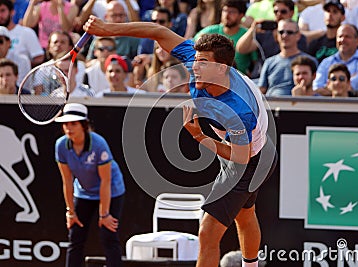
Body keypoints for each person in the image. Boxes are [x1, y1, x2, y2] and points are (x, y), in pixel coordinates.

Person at [84, 13, 276, 267]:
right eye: (195, 59)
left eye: (202, 62)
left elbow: (241, 157)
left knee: (207, 232)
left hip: (250, 158)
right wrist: (109, 29)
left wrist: (199, 136)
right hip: (248, 147)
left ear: (221, 68)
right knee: (245, 214)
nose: (194, 66)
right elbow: (158, 31)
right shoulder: (199, 64)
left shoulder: (240, 109)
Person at [55, 103, 126, 267]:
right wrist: (70, 212)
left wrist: (104, 214)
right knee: (75, 237)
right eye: (66, 124)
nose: (69, 128)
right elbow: (67, 181)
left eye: (74, 124)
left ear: (84, 125)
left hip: (111, 191)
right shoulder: (61, 146)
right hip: (84, 193)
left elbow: (106, 181)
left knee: (108, 236)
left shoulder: (99, 144)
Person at [236, 0, 307, 77]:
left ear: (292, 13)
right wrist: (252, 29)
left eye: (283, 11)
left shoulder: (297, 35)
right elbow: (241, 49)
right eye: (276, 11)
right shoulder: (265, 33)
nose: (279, 14)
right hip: (262, 75)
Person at [194, 0, 258, 75]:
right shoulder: (211, 30)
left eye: (232, 12)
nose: (227, 15)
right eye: (225, 10)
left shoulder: (247, 35)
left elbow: (255, 63)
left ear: (241, 15)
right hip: (212, 75)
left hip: (238, 78)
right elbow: (195, 44)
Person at [258, 19, 318, 96]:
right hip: (272, 105)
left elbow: (316, 89)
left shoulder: (310, 61)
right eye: (281, 32)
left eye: (289, 32)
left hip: (299, 105)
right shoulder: (269, 62)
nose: (284, 35)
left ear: (298, 36)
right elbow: (261, 90)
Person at [313, 24, 358, 96]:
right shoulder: (326, 62)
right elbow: (316, 88)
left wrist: (329, 87)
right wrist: (343, 86)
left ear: (357, 41)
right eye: (340, 36)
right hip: (327, 105)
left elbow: (357, 85)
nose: (342, 40)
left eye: (347, 37)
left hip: (356, 105)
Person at [0, 0, 44, 67]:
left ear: (12, 12)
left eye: (2, 11)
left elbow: (39, 58)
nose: (0, 15)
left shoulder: (26, 32)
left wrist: (22, 65)